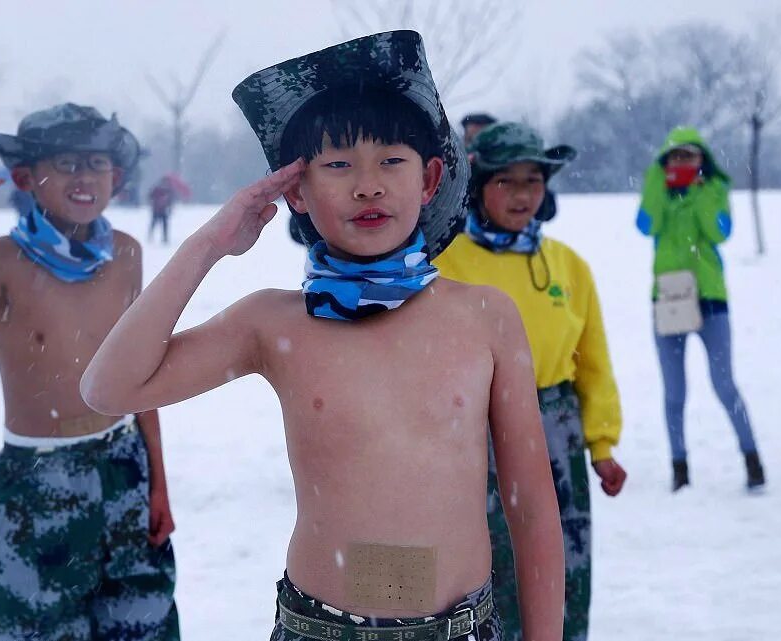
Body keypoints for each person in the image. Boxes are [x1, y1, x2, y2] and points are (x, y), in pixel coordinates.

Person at [82, 31, 564, 641]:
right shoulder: (274, 323)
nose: (368, 184)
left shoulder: (485, 318)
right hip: (320, 629)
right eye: (337, 165)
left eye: (392, 160)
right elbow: (109, 388)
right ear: (298, 193)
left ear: (430, 177)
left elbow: (533, 509)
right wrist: (208, 245)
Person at [0, 103, 180, 640]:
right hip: (35, 480)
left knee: (145, 623)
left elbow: (142, 373)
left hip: (122, 465)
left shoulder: (127, 255)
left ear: (116, 176)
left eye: (96, 162)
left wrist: (159, 483)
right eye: (65, 163)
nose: (84, 176)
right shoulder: (1, 260)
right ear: (26, 179)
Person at [435, 122, 626, 641]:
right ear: (478, 186)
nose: (522, 196)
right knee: (492, 558)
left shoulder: (568, 266)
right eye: (507, 182)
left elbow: (592, 360)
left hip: (557, 426)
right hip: (478, 424)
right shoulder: (443, 261)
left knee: (565, 554)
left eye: (533, 182)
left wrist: (602, 444)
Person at [636, 126, 765, 492]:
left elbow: (720, 231)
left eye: (690, 156)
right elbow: (646, 225)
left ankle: (752, 459)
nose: (682, 163)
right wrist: (657, 182)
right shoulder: (658, 190)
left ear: (702, 159)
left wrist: (701, 190)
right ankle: (680, 468)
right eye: (675, 156)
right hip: (669, 300)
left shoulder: (714, 190)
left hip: (711, 301)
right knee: (674, 392)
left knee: (725, 385)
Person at [148, 173, 190, 244]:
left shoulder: (163, 189)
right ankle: (158, 237)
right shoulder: (165, 189)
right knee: (160, 224)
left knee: (159, 224)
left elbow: (151, 196)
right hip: (160, 210)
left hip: (160, 210)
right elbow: (152, 196)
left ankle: (160, 237)